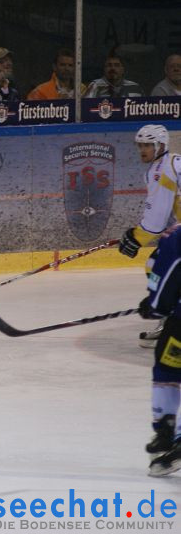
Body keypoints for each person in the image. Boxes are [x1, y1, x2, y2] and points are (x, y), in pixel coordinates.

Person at [118, 124, 178, 348]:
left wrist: (136, 238)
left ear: (160, 145)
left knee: (157, 266)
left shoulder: (161, 170)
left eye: (147, 145)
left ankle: (171, 324)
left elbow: (156, 220)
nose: (142, 150)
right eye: (140, 145)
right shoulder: (172, 163)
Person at [137, 223, 181, 476]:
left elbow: (169, 273)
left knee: (167, 367)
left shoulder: (176, 236)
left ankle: (165, 430)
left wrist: (155, 306)